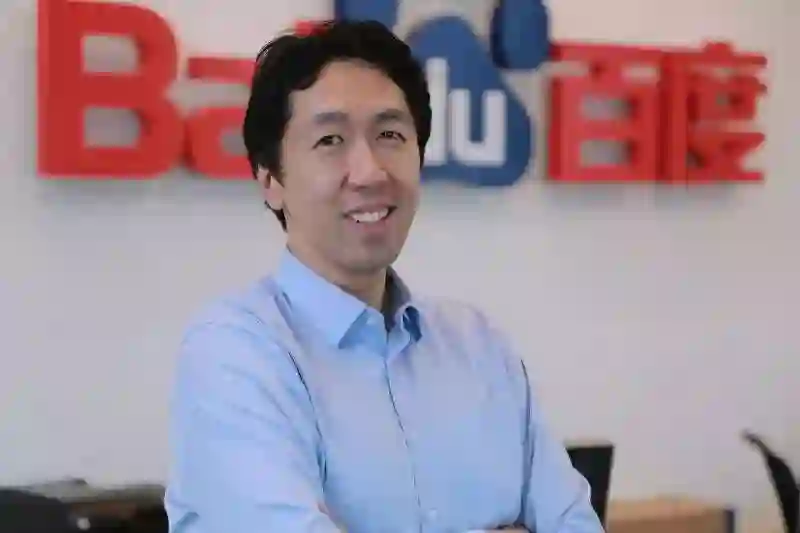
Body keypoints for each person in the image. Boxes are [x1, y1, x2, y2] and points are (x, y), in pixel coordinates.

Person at [164, 19, 604, 533]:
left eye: (390, 134)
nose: (370, 171)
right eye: (330, 139)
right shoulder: (235, 351)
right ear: (271, 181)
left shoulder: (480, 346)